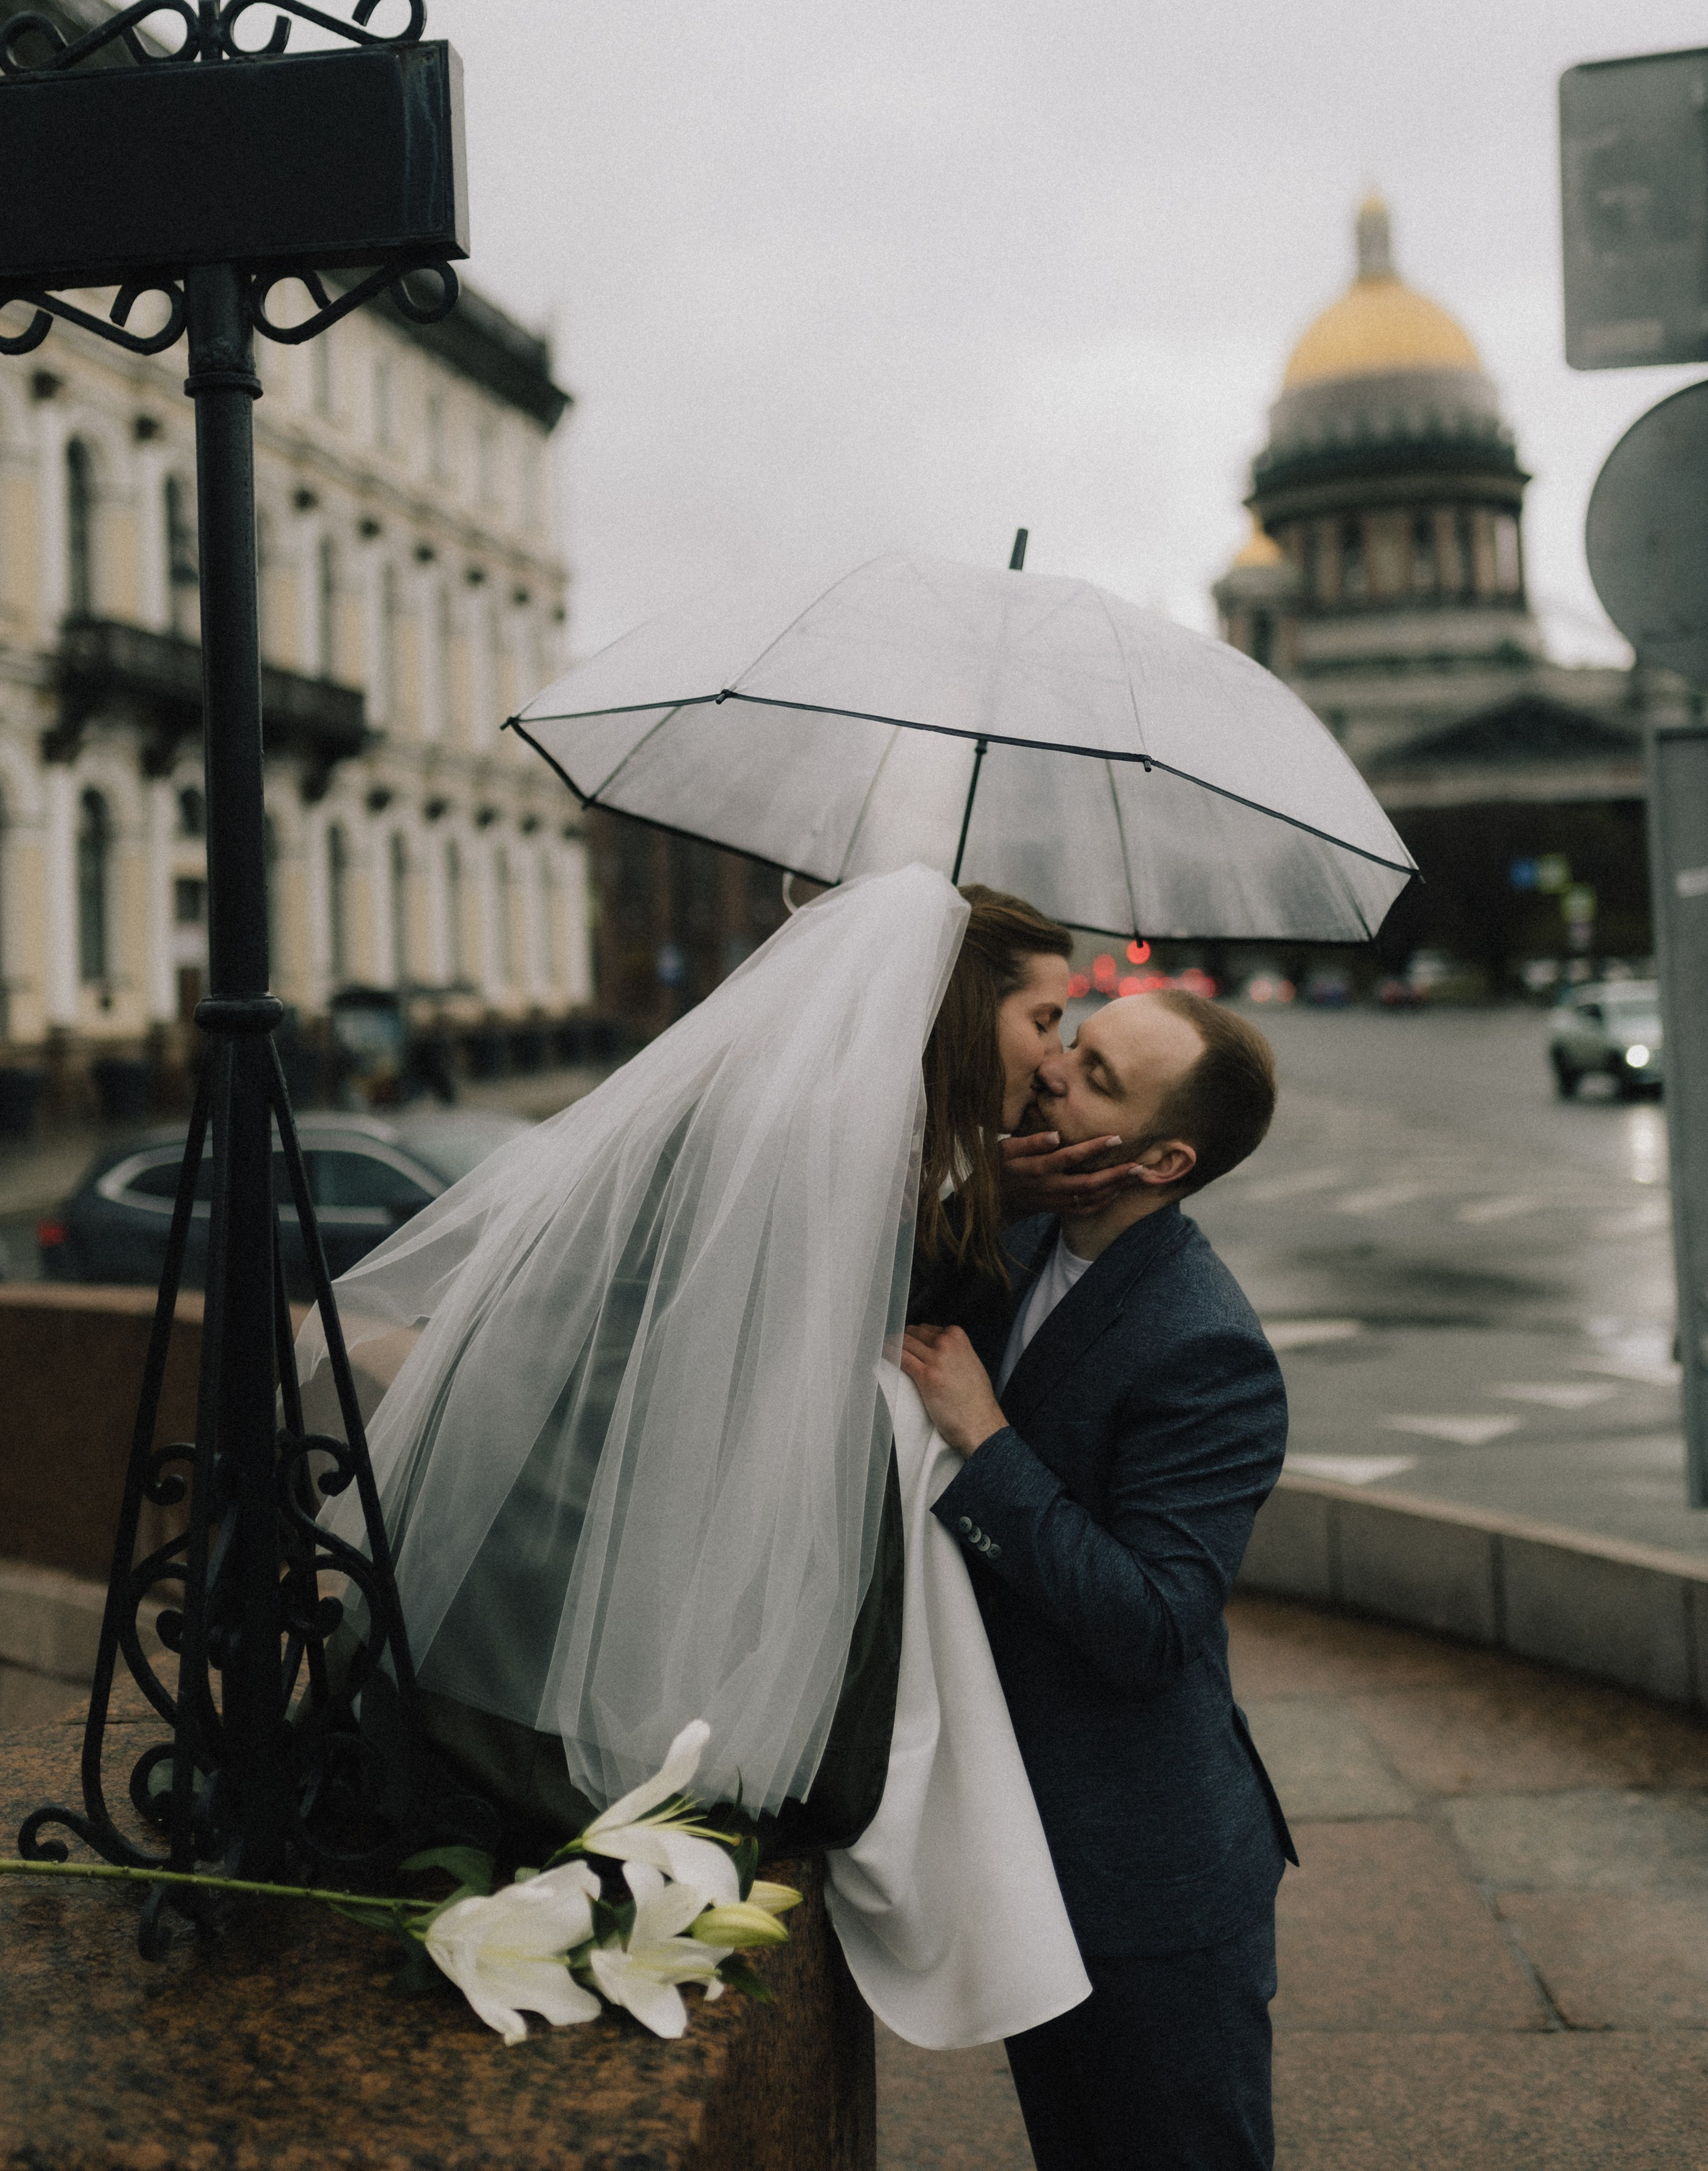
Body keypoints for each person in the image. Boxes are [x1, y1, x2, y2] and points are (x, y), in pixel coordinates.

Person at [298, 869, 1105, 1859]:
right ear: (967, 1009)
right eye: (1046, 1019)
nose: (1055, 1057)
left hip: (595, 1484)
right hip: (560, 1498)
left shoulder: (841, 1108)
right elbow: (789, 1336)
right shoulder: (813, 1126)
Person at [901, 990, 1295, 2171]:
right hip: (1026, 1852)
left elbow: (1152, 1625)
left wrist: (988, 1443)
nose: (1057, 1071)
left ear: (1165, 1159)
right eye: (1075, 1041)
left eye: (1101, 1076)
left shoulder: (1206, 1344)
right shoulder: (1013, 1244)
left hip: (1148, 1875)